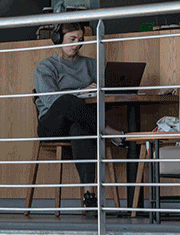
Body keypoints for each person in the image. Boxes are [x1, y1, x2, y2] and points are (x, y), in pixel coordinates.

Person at [33, 22, 124, 212]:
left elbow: (105, 93)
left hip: (80, 122)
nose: (76, 44)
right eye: (72, 39)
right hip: (51, 126)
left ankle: (89, 192)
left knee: (79, 128)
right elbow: (51, 100)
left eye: (80, 40)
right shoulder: (45, 67)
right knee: (67, 100)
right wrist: (81, 91)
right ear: (58, 40)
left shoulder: (91, 64)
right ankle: (108, 130)